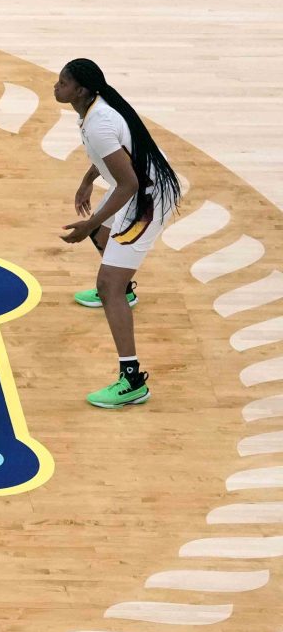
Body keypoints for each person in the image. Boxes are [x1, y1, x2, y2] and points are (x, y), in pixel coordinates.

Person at [54, 58, 183, 409]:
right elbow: (115, 157)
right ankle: (122, 291)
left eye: (63, 83)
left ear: (80, 90)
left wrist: (91, 221)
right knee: (102, 237)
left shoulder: (100, 121)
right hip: (137, 187)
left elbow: (129, 183)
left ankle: (131, 381)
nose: (56, 87)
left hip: (147, 200)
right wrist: (87, 181)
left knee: (106, 283)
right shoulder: (95, 109)